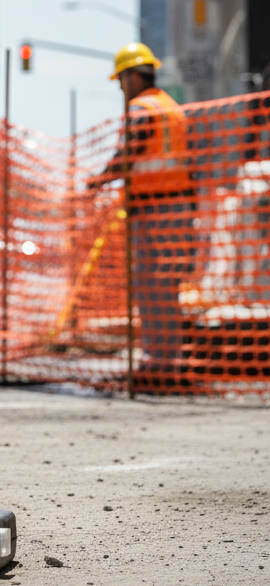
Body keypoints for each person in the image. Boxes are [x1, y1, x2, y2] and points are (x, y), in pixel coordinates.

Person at [102, 43, 192, 373]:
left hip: (154, 208)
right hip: (177, 207)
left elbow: (131, 150)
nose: (120, 88)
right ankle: (169, 357)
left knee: (149, 284)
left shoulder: (141, 108)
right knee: (166, 285)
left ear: (134, 76)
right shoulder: (171, 107)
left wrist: (99, 179)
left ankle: (158, 358)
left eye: (121, 80)